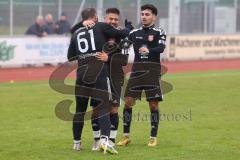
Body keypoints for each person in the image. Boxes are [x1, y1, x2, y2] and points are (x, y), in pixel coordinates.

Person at [67, 8, 132, 154]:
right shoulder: (101, 26)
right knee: (104, 107)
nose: (112, 22)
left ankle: (77, 143)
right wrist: (129, 27)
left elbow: (70, 57)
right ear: (97, 17)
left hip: (82, 72)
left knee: (80, 110)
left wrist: (85, 55)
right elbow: (124, 33)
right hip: (98, 71)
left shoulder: (77, 32)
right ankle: (104, 140)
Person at [117, 4, 167, 147]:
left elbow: (161, 48)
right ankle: (126, 136)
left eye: (147, 14)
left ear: (154, 16)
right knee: (128, 102)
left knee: (153, 105)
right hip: (137, 72)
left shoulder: (159, 31)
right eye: (142, 14)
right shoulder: (135, 32)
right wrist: (126, 32)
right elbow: (123, 46)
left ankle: (153, 137)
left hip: (152, 71)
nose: (144, 17)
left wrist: (148, 50)